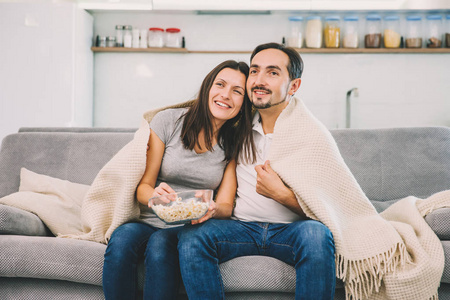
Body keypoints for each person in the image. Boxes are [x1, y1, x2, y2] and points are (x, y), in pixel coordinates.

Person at [177, 43, 336, 300]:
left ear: (293, 86)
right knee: (192, 236)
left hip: (292, 231)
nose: (259, 81)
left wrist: (281, 194)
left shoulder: (311, 135)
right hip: (241, 228)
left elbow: (330, 209)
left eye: (272, 73)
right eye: (254, 71)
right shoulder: (237, 127)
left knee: (317, 234)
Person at [102, 60, 254, 300]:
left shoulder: (234, 142)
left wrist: (211, 210)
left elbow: (226, 205)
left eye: (237, 91)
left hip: (190, 227)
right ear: (207, 88)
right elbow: (143, 186)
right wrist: (153, 195)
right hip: (148, 218)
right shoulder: (169, 121)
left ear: (243, 103)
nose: (226, 95)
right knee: (120, 241)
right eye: (220, 85)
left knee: (160, 246)